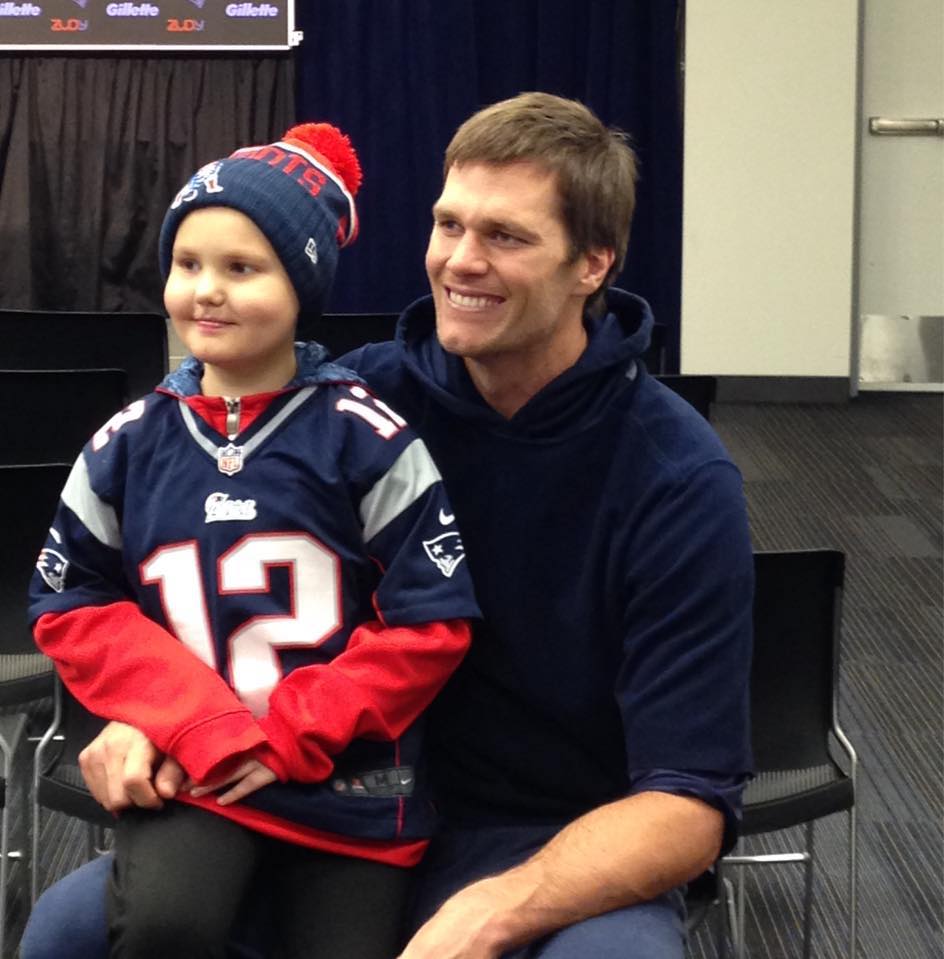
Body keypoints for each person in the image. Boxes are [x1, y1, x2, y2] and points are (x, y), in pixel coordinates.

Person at [22, 92, 753, 959]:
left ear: (593, 263)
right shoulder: (343, 407)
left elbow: (687, 808)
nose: (459, 262)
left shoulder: (677, 475)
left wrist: (493, 912)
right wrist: (161, 710)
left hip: (546, 834)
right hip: (317, 793)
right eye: (449, 226)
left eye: (506, 237)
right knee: (68, 934)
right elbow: (151, 588)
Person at [25, 121, 479, 959]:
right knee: (168, 926)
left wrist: (294, 730)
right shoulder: (125, 443)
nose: (207, 290)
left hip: (351, 783)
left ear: (301, 285)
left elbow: (432, 620)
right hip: (196, 775)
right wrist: (193, 719)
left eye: (244, 268)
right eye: (188, 263)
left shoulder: (368, 438)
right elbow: (71, 600)